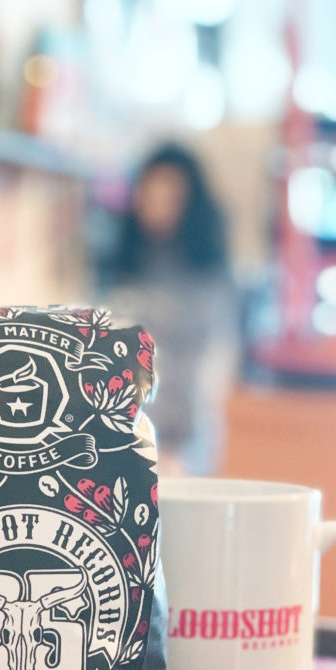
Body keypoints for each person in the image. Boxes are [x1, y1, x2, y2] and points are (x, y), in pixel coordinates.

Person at [95, 142, 240, 475]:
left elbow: (209, 373)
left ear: (190, 202)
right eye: (150, 193)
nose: (157, 205)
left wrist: (179, 449)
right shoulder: (121, 268)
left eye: (169, 196)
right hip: (119, 438)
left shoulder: (208, 279)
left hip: (184, 445)